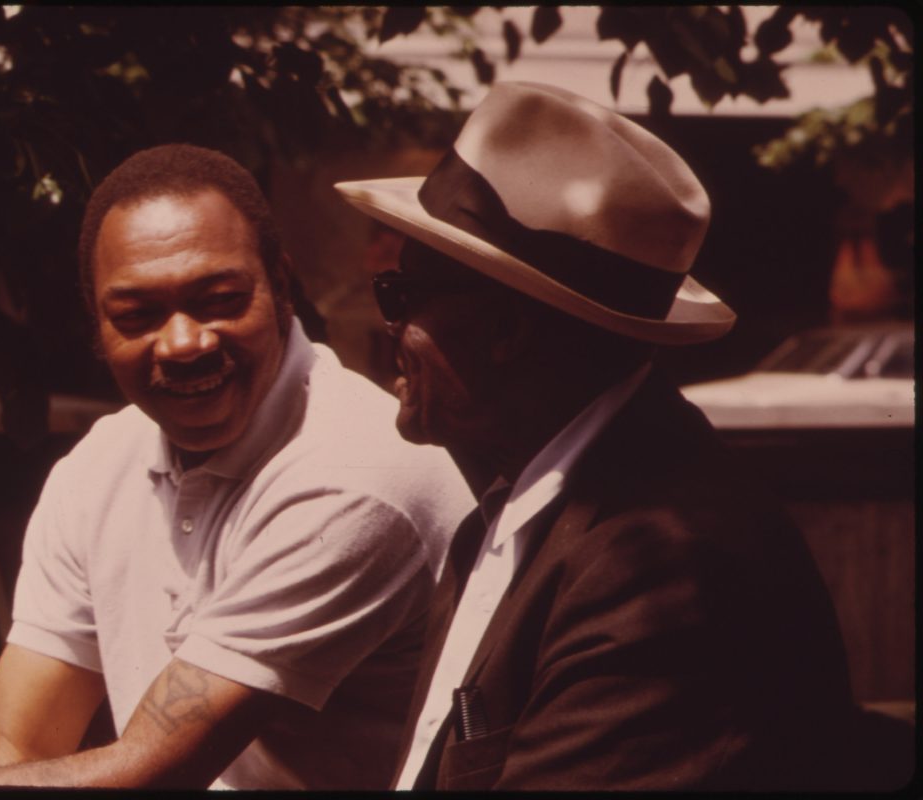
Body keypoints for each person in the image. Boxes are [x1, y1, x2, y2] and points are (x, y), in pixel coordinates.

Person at [334, 82, 878, 790]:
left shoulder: (662, 573)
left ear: (507, 331)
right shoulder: (532, 511)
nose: (391, 329)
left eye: (403, 297)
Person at [0, 144, 473, 789]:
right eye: (138, 315)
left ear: (281, 287)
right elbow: (10, 738)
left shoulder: (359, 478)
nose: (183, 343)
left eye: (219, 300)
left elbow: (149, 773)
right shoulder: (99, 467)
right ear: (98, 322)